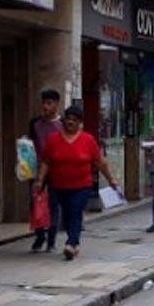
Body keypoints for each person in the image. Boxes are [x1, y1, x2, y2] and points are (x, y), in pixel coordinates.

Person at [35, 105, 120, 261]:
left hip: (82, 185)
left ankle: (70, 243)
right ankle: (75, 243)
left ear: (80, 122)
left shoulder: (88, 140)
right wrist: (40, 180)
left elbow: (100, 162)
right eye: (68, 119)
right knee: (67, 216)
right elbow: (46, 162)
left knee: (75, 211)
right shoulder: (53, 139)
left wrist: (111, 179)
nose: (70, 122)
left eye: (74, 120)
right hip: (59, 185)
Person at [28, 89, 64, 253]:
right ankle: (39, 235)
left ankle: (51, 239)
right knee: (35, 202)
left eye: (49, 103)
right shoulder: (35, 123)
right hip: (37, 168)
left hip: (57, 170)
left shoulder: (62, 124)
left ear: (57, 104)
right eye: (44, 103)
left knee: (54, 203)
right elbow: (30, 142)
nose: (45, 106)